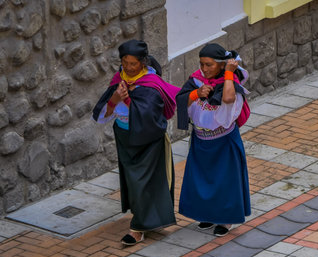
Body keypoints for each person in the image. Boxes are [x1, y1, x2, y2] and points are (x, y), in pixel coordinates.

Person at [92, 39, 180, 246]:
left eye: (133, 64)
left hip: (148, 142)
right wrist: (114, 100)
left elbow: (153, 117)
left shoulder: (151, 83)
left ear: (143, 62)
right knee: (134, 183)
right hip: (125, 139)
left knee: (142, 183)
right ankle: (148, 219)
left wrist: (129, 100)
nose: (129, 68)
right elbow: (102, 116)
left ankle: (137, 229)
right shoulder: (118, 80)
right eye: (125, 63)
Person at [176, 43, 251, 237]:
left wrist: (228, 73)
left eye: (209, 65)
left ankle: (226, 220)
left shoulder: (231, 82)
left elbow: (227, 99)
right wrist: (196, 93)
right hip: (201, 140)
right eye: (202, 64)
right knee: (202, 180)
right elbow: (181, 99)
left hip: (224, 141)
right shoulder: (196, 80)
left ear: (220, 65)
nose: (205, 69)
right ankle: (207, 215)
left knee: (225, 181)